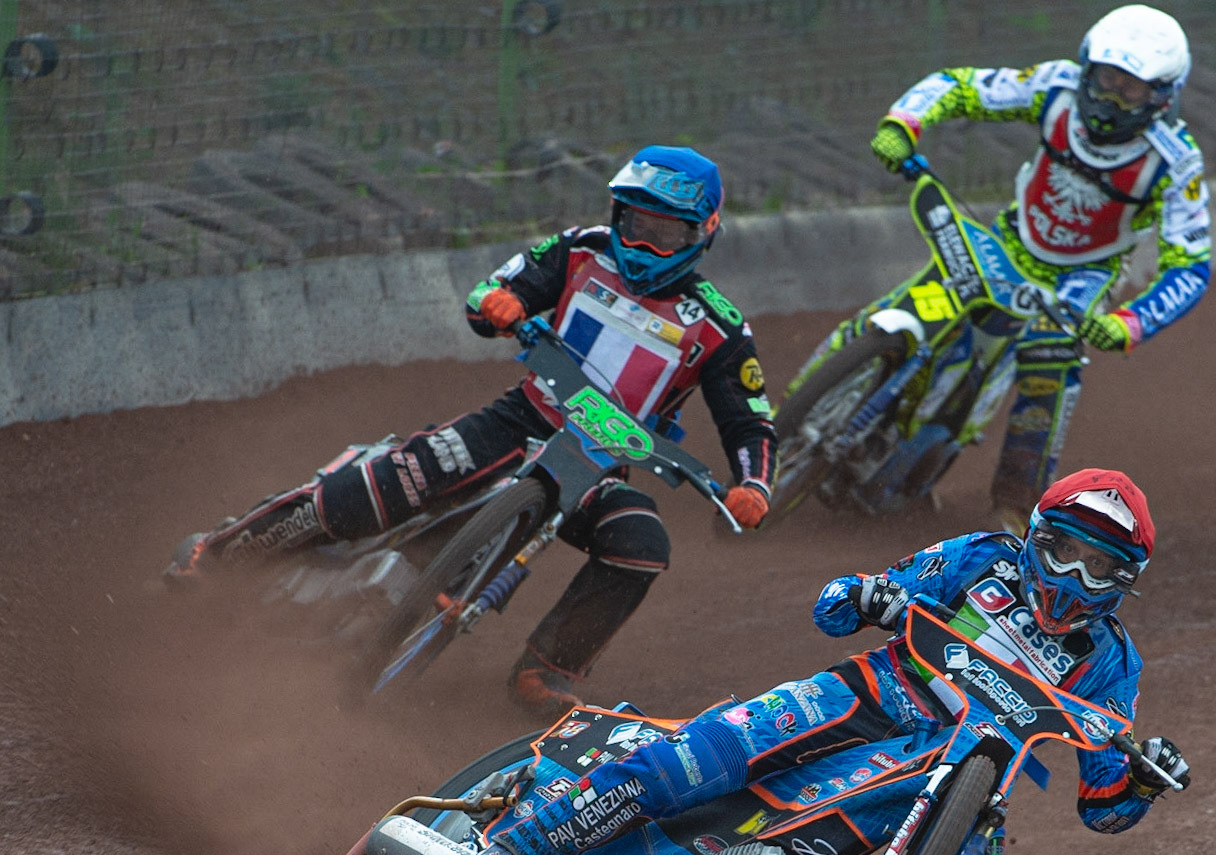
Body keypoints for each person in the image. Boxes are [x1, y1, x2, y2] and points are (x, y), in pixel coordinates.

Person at [467, 467, 1192, 855]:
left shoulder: (1109, 659)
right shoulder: (981, 560)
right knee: (700, 757)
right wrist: (870, 595)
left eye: (1102, 568)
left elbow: (1102, 803)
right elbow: (835, 606)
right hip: (867, 694)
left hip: (951, 768)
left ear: (1126, 580)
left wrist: (1143, 779)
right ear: (1038, 537)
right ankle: (517, 848)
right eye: (1067, 552)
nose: (1077, 578)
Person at [166, 147, 777, 714]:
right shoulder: (580, 249)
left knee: (642, 546)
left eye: (665, 231)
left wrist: (753, 484)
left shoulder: (720, 328)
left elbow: (748, 418)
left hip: (598, 465)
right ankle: (218, 555)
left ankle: (548, 671)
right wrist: (499, 303)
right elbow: (492, 291)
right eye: (635, 222)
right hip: (520, 419)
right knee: (381, 488)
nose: (644, 240)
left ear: (703, 231)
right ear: (616, 213)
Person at [852, 5, 1210, 533]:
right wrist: (904, 122)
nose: (1112, 98)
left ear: (1161, 95)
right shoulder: (1054, 88)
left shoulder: (1176, 162)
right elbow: (962, 85)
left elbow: (1190, 266)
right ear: (1088, 68)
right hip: (1010, 241)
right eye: (1108, 80)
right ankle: (804, 407)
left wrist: (1125, 325)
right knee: (921, 301)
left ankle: (1015, 509)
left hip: (1082, 277)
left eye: (1130, 91)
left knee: (1050, 362)